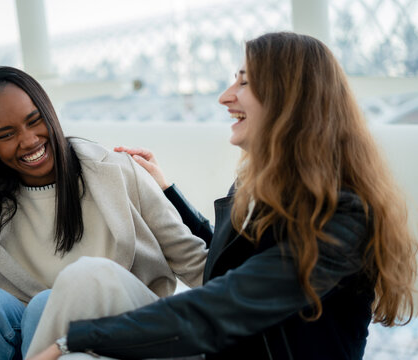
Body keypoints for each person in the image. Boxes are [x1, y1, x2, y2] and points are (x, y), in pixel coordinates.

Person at [27, 32, 417, 360]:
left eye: (244, 82)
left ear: (289, 99)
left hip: (222, 344)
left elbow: (227, 303)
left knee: (77, 351)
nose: (225, 96)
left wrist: (75, 339)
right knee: (87, 277)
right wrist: (167, 192)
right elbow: (229, 265)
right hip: (222, 351)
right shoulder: (257, 191)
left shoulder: (342, 217)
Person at [0, 66, 208, 360]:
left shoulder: (118, 171)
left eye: (35, 120)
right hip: (34, 333)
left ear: (50, 112)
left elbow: (194, 263)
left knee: (48, 303)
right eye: (7, 134)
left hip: (120, 332)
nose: (29, 140)